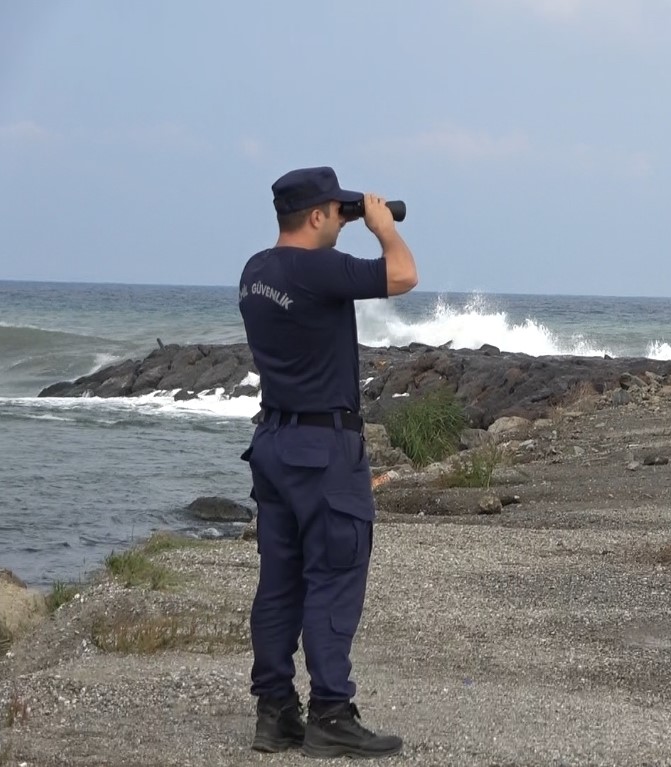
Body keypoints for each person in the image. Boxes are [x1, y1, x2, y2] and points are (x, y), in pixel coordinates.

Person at [238, 166, 418, 758]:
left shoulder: (256, 272)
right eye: (334, 213)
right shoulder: (321, 269)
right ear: (317, 215)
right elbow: (403, 275)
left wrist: (351, 214)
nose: (340, 222)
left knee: (279, 581)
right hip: (325, 448)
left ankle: (275, 714)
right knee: (334, 576)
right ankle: (331, 714)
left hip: (273, 442)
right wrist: (383, 226)